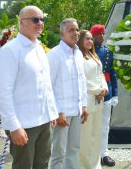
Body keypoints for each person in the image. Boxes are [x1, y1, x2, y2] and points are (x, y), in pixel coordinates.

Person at [0, 6, 58, 169]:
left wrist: (52, 111)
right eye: (35, 19)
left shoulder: (39, 48)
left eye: (42, 20)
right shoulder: (10, 51)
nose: (40, 23)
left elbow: (45, 84)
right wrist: (14, 126)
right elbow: (3, 93)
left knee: (42, 164)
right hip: (23, 124)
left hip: (44, 121)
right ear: (22, 22)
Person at [48, 18, 88, 169]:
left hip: (77, 111)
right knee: (58, 153)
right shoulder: (53, 55)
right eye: (71, 30)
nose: (76, 33)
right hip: (62, 113)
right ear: (61, 33)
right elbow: (48, 87)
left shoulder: (78, 53)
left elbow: (82, 81)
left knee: (73, 150)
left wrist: (84, 105)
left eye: (77, 29)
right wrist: (57, 112)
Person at [77, 30, 108, 169]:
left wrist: (104, 89)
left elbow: (101, 74)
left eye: (90, 39)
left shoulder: (93, 55)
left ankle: (96, 165)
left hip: (98, 100)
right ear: (80, 40)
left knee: (96, 135)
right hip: (87, 100)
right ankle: (84, 166)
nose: (90, 41)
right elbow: (82, 79)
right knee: (85, 138)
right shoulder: (78, 57)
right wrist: (98, 90)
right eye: (86, 39)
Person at [90, 24, 118, 167]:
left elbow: (113, 74)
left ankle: (104, 154)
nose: (102, 36)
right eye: (99, 34)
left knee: (105, 125)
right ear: (93, 35)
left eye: (103, 33)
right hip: (92, 93)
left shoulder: (108, 52)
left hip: (107, 92)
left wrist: (115, 94)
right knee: (92, 125)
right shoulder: (87, 52)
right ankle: (93, 155)